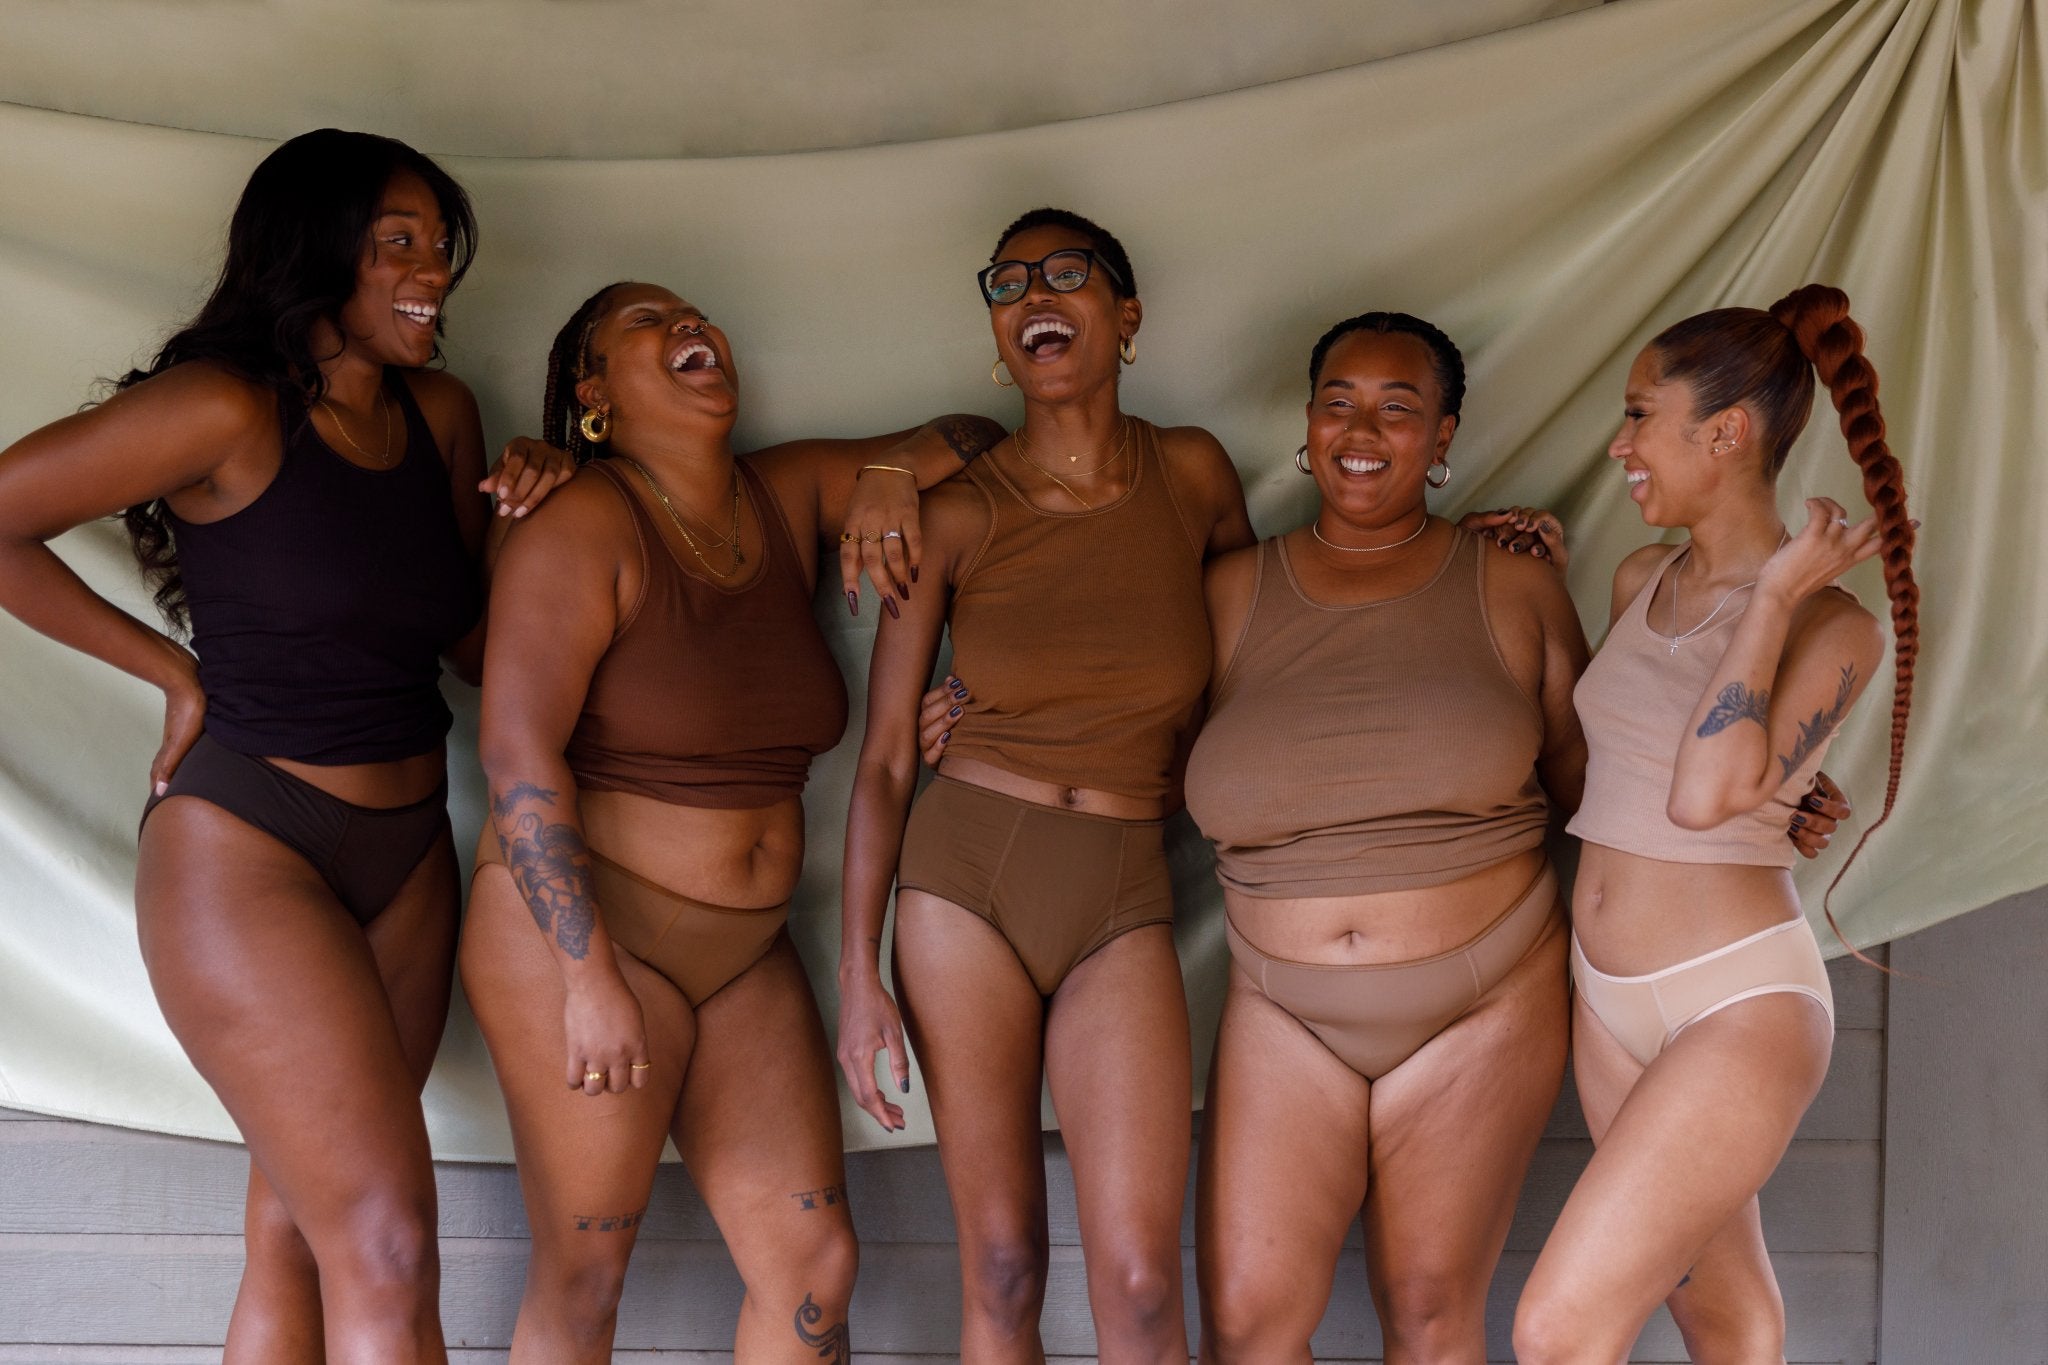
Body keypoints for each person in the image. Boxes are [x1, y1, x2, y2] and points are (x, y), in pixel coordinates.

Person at [0, 130, 572, 1362]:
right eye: (399, 243)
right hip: (248, 846)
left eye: (439, 245)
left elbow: (471, 647)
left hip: (408, 855)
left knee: (303, 1234)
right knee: (386, 1242)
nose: (435, 272)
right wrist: (172, 672)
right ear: (319, 253)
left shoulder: (443, 413)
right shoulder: (222, 408)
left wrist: (539, 507)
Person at [462, 279, 1002, 1363]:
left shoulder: (790, 488)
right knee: (583, 1279)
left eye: (696, 313)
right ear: (594, 395)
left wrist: (890, 475)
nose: (688, 326)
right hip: (587, 930)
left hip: (745, 949)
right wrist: (583, 974)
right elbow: (515, 753)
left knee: (814, 1269)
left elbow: (980, 436)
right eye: (645, 325)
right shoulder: (578, 523)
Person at [836, 208, 1254, 1362]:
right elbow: (879, 760)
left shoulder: (1194, 475)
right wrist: (855, 974)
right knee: (1006, 1264)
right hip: (965, 875)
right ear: (996, 331)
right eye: (1009, 280)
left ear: (1125, 319)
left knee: (1136, 1284)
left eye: (1066, 273)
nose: (1035, 294)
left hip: (1122, 885)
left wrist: (1483, 541)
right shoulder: (956, 510)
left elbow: (1255, 649)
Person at [1511, 285, 1917, 1362]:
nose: (1617, 446)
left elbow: (1701, 798)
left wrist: (1774, 597)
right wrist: (1533, 586)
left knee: (1556, 1330)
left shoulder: (1834, 625)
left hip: (1734, 1003)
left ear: (1724, 432)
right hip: (1605, 1001)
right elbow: (1625, 767)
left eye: (1640, 414)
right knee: (1717, 1308)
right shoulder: (1639, 578)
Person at [1181, 312, 1589, 1364]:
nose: (1361, 428)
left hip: (1483, 999)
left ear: (1442, 439)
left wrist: (1778, 797)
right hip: (1281, 1006)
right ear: (1306, 427)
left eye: (1398, 409)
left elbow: (1600, 790)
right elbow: (1115, 744)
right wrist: (967, 724)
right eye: (1337, 402)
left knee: (1425, 1311)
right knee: (1247, 1325)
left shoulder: (1515, 587)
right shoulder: (1226, 595)